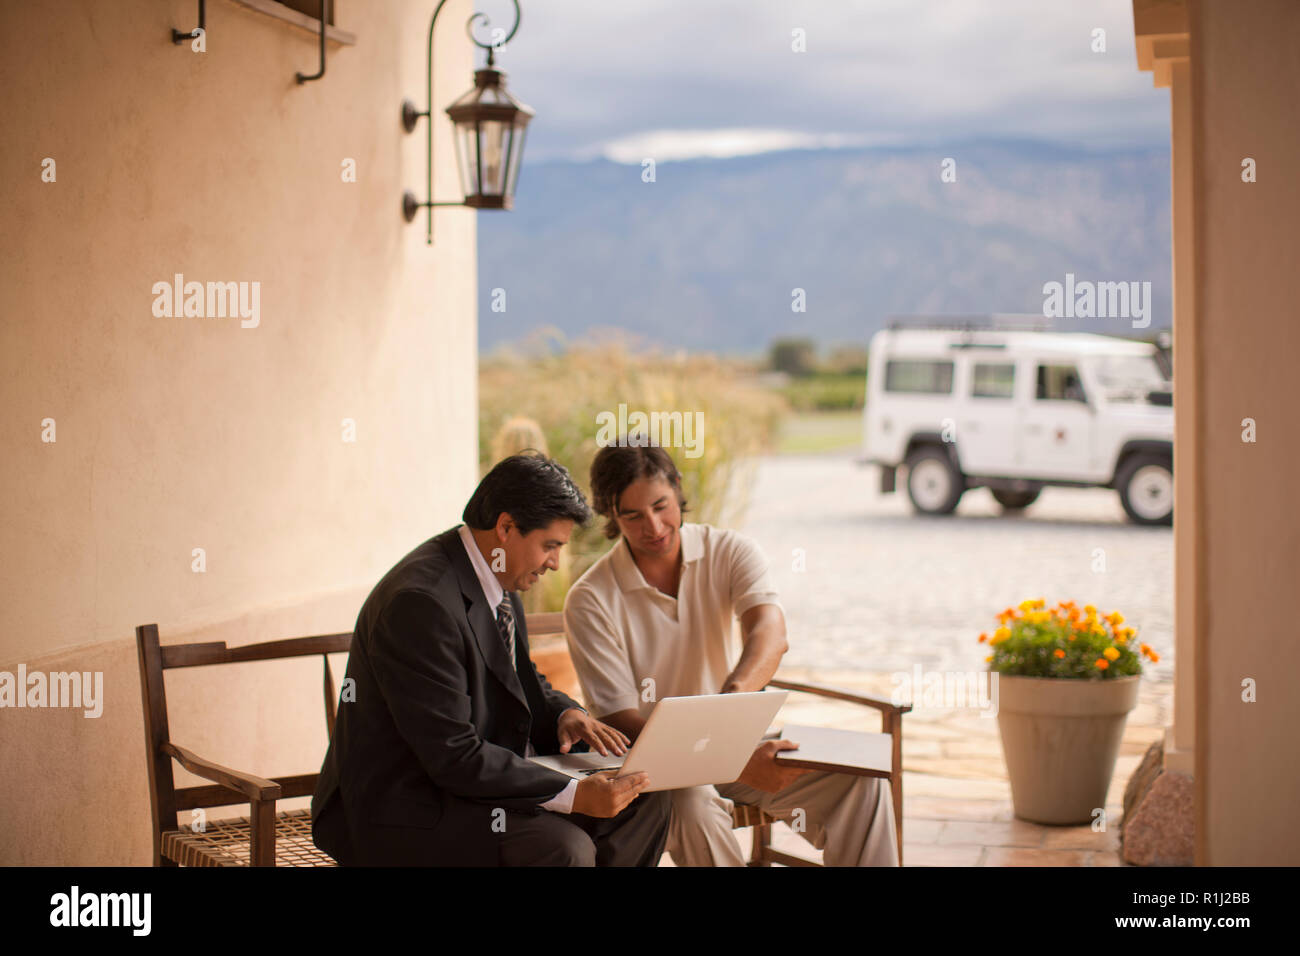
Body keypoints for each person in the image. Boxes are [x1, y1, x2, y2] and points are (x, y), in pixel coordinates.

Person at [312, 452, 670, 866]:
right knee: (564, 848)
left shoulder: (498, 579)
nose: (554, 563)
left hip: (475, 787)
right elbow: (453, 755)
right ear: (505, 528)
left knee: (646, 804)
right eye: (550, 546)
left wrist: (563, 716)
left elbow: (521, 681)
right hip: (409, 808)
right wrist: (573, 794)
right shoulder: (420, 604)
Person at [562, 443, 899, 867]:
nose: (653, 525)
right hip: (658, 770)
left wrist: (733, 706)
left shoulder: (730, 550)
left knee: (861, 784)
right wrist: (728, 759)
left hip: (743, 744)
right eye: (632, 515)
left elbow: (770, 633)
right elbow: (618, 719)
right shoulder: (590, 599)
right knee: (688, 806)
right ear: (611, 515)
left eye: (661, 505)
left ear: (678, 490)